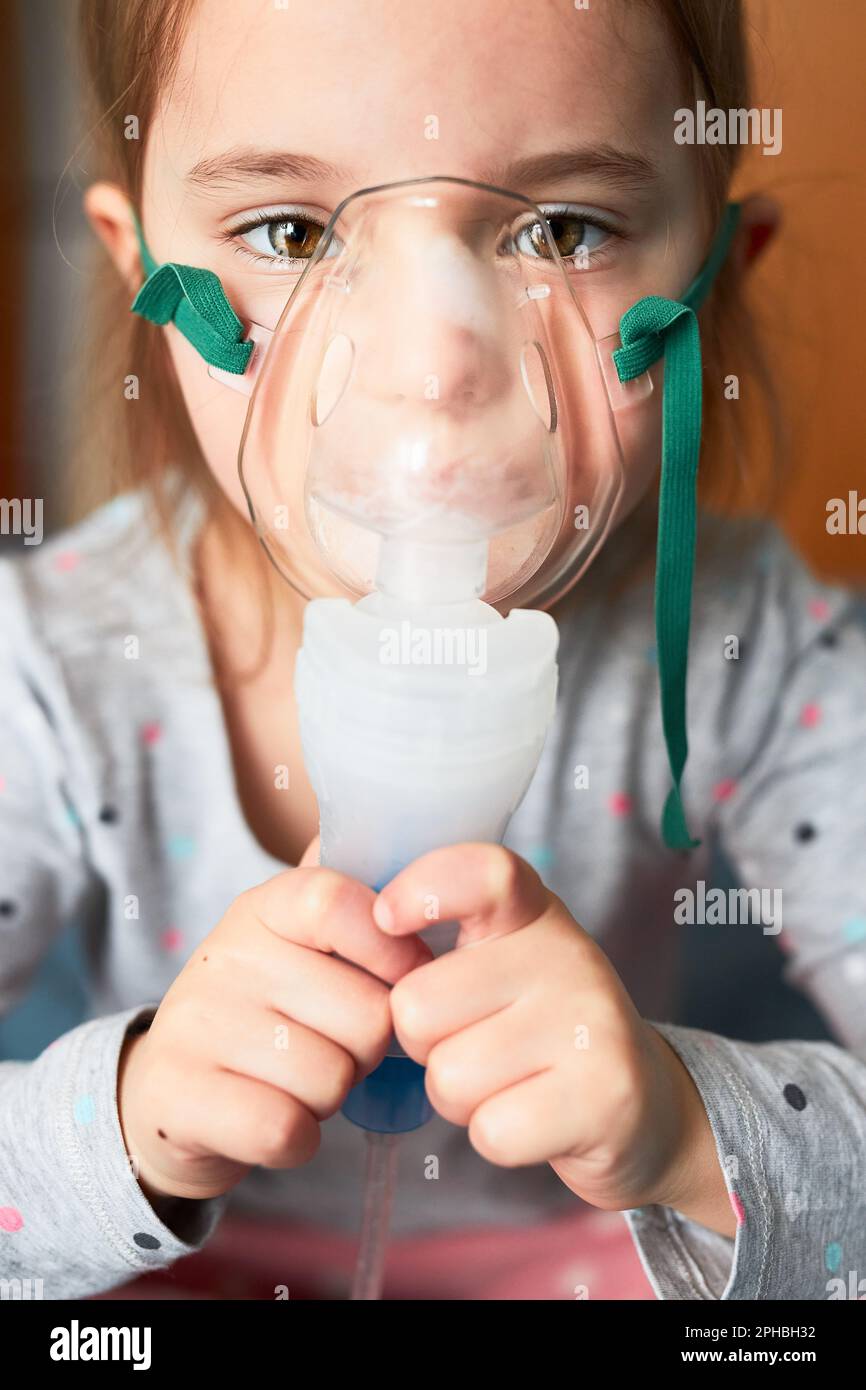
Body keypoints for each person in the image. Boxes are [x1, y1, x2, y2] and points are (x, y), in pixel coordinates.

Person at [0, 0, 863, 1301]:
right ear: (142, 269)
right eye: (289, 232)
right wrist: (124, 1131)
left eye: (563, 230)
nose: (430, 364)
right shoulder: (53, 662)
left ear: (719, 271)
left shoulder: (752, 648)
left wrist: (685, 1133)